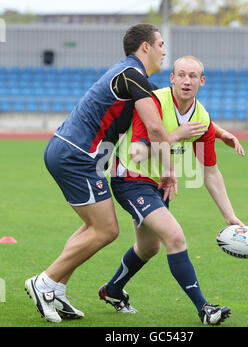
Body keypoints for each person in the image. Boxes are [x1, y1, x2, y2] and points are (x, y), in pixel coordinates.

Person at [24, 24, 206, 323]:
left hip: (75, 153)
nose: (164, 50)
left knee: (91, 228)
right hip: (77, 155)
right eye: (160, 44)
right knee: (106, 230)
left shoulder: (129, 73)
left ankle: (55, 288)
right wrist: (170, 171)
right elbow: (156, 128)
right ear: (144, 47)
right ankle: (44, 282)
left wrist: (219, 133)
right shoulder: (133, 75)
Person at [98, 56, 244, 325]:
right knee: (175, 237)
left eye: (192, 76)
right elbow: (137, 152)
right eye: (181, 75)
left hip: (158, 186)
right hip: (130, 178)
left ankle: (113, 290)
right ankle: (205, 309)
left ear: (202, 81)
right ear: (172, 78)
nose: (186, 81)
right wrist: (177, 134)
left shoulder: (201, 118)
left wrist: (229, 216)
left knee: (148, 248)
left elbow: (210, 172)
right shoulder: (154, 102)